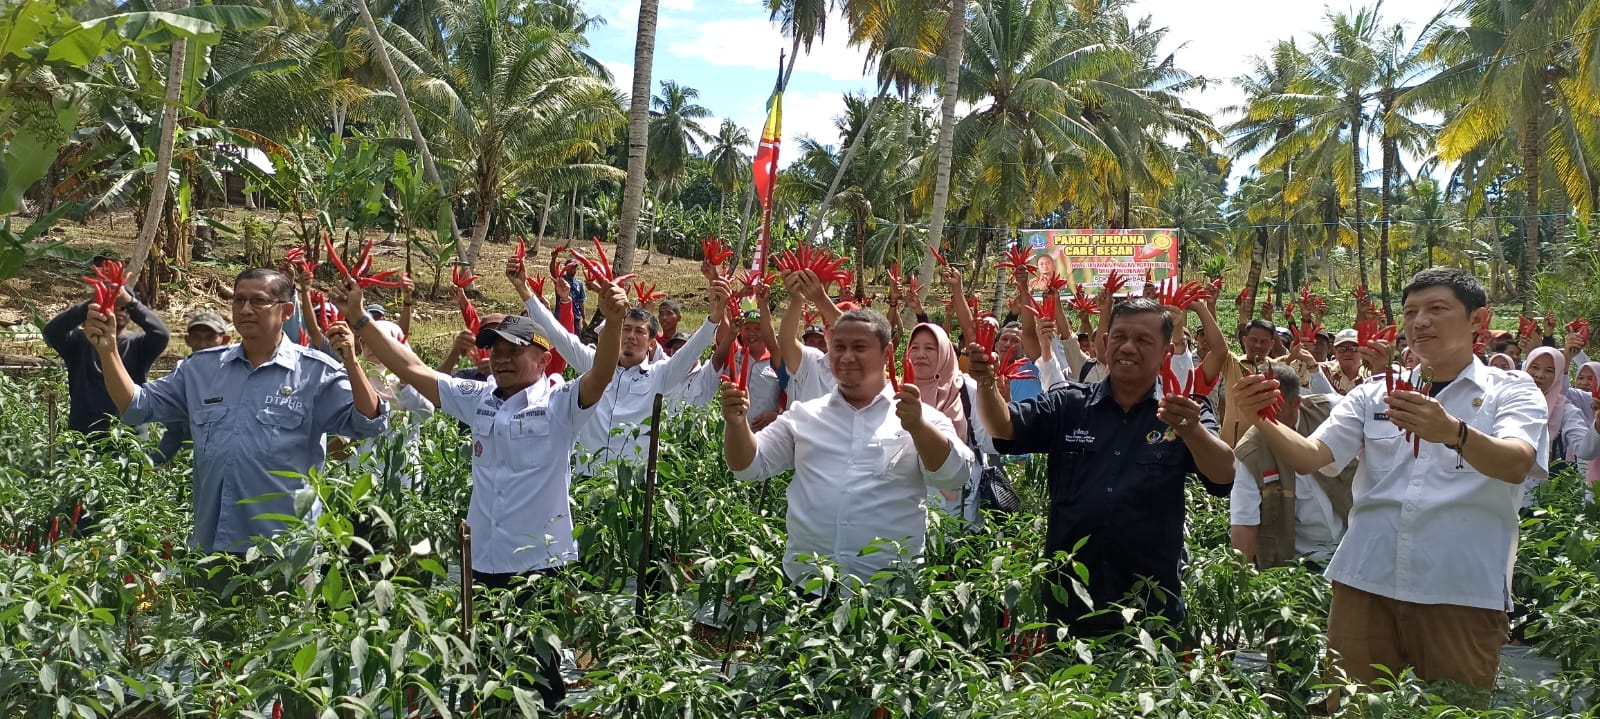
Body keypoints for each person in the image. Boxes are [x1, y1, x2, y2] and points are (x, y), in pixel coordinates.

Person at [1230, 268, 1548, 699]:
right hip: (1366, 579)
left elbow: (1518, 462)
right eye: (1412, 311)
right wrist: (1262, 418)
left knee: (1453, 707)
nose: (1420, 322)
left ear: (1478, 321)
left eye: (1437, 309)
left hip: (1459, 587)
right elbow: (1311, 457)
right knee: (1351, 704)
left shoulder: (1510, 390)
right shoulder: (1372, 394)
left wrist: (1454, 432)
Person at [333, 272, 627, 712]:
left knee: (539, 673)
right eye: (496, 350)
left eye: (514, 350)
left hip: (538, 565)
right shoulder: (479, 397)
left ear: (544, 359)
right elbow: (412, 368)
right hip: (483, 561)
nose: (502, 359)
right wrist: (359, 319)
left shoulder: (561, 403)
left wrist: (615, 321)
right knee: (488, 670)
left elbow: (602, 372)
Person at [971, 298, 1235, 638]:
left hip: (1149, 610)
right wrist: (987, 383)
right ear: (1106, 341)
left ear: (1166, 351)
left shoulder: (1186, 411)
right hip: (1069, 606)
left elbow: (1223, 473)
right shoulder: (1069, 403)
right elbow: (1003, 427)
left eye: (1143, 340)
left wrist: (1191, 430)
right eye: (1119, 336)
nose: (1128, 347)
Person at [84, 268, 387, 553]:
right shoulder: (201, 369)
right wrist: (108, 350)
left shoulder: (314, 372)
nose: (245, 309)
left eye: (259, 301)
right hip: (212, 546)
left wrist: (352, 363)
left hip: (283, 550)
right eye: (239, 300)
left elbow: (368, 422)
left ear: (287, 311)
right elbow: (136, 406)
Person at [721, 309, 974, 592]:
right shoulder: (805, 415)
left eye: (860, 347)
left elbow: (955, 476)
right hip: (807, 586)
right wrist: (736, 423)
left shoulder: (924, 418)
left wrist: (917, 426)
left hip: (886, 593)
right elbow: (748, 466)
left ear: (887, 352)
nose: (846, 356)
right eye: (839, 347)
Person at [516, 259, 721, 472]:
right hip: (587, 480)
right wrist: (523, 289)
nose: (631, 336)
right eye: (626, 329)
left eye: (639, 331)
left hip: (633, 488)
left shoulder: (660, 374)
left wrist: (714, 318)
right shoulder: (593, 365)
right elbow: (558, 335)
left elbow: (690, 352)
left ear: (652, 344)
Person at [1229, 364, 1355, 569]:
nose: (1268, 423)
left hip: (1353, 545)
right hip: (1301, 563)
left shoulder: (1331, 411)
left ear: (1297, 403)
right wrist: (1239, 581)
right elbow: (1244, 522)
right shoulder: (1250, 454)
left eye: (1275, 412)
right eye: (1261, 413)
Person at [43, 273, 171, 434]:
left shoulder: (139, 344)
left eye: (123, 307)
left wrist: (131, 302)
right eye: (112, 304)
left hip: (130, 435)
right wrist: (90, 304)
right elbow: (52, 332)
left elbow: (161, 335)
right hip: (85, 435)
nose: (119, 311)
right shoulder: (79, 342)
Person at [149, 312, 232, 464]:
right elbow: (174, 431)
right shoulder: (182, 379)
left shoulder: (236, 375)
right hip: (193, 466)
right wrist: (152, 463)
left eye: (210, 337)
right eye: (197, 337)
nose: (202, 344)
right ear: (187, 340)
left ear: (225, 340)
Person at [1521, 347, 1595, 503]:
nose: (1539, 375)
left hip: (1542, 502)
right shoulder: (1505, 402)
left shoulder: (1565, 410)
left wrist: (1598, 427)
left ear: (1559, 376)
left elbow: (1585, 451)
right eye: (1534, 367)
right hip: (1501, 492)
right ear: (1525, 368)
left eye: (1549, 370)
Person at [776, 269, 838, 405]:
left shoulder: (865, 371)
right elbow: (786, 342)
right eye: (833, 328)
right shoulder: (813, 360)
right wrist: (797, 300)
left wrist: (821, 298)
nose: (841, 335)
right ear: (827, 332)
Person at [1322, 329, 1371, 395]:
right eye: (1342, 349)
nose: (1347, 354)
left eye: (1353, 349)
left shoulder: (1370, 375)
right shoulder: (1324, 370)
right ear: (1334, 351)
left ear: (1362, 351)